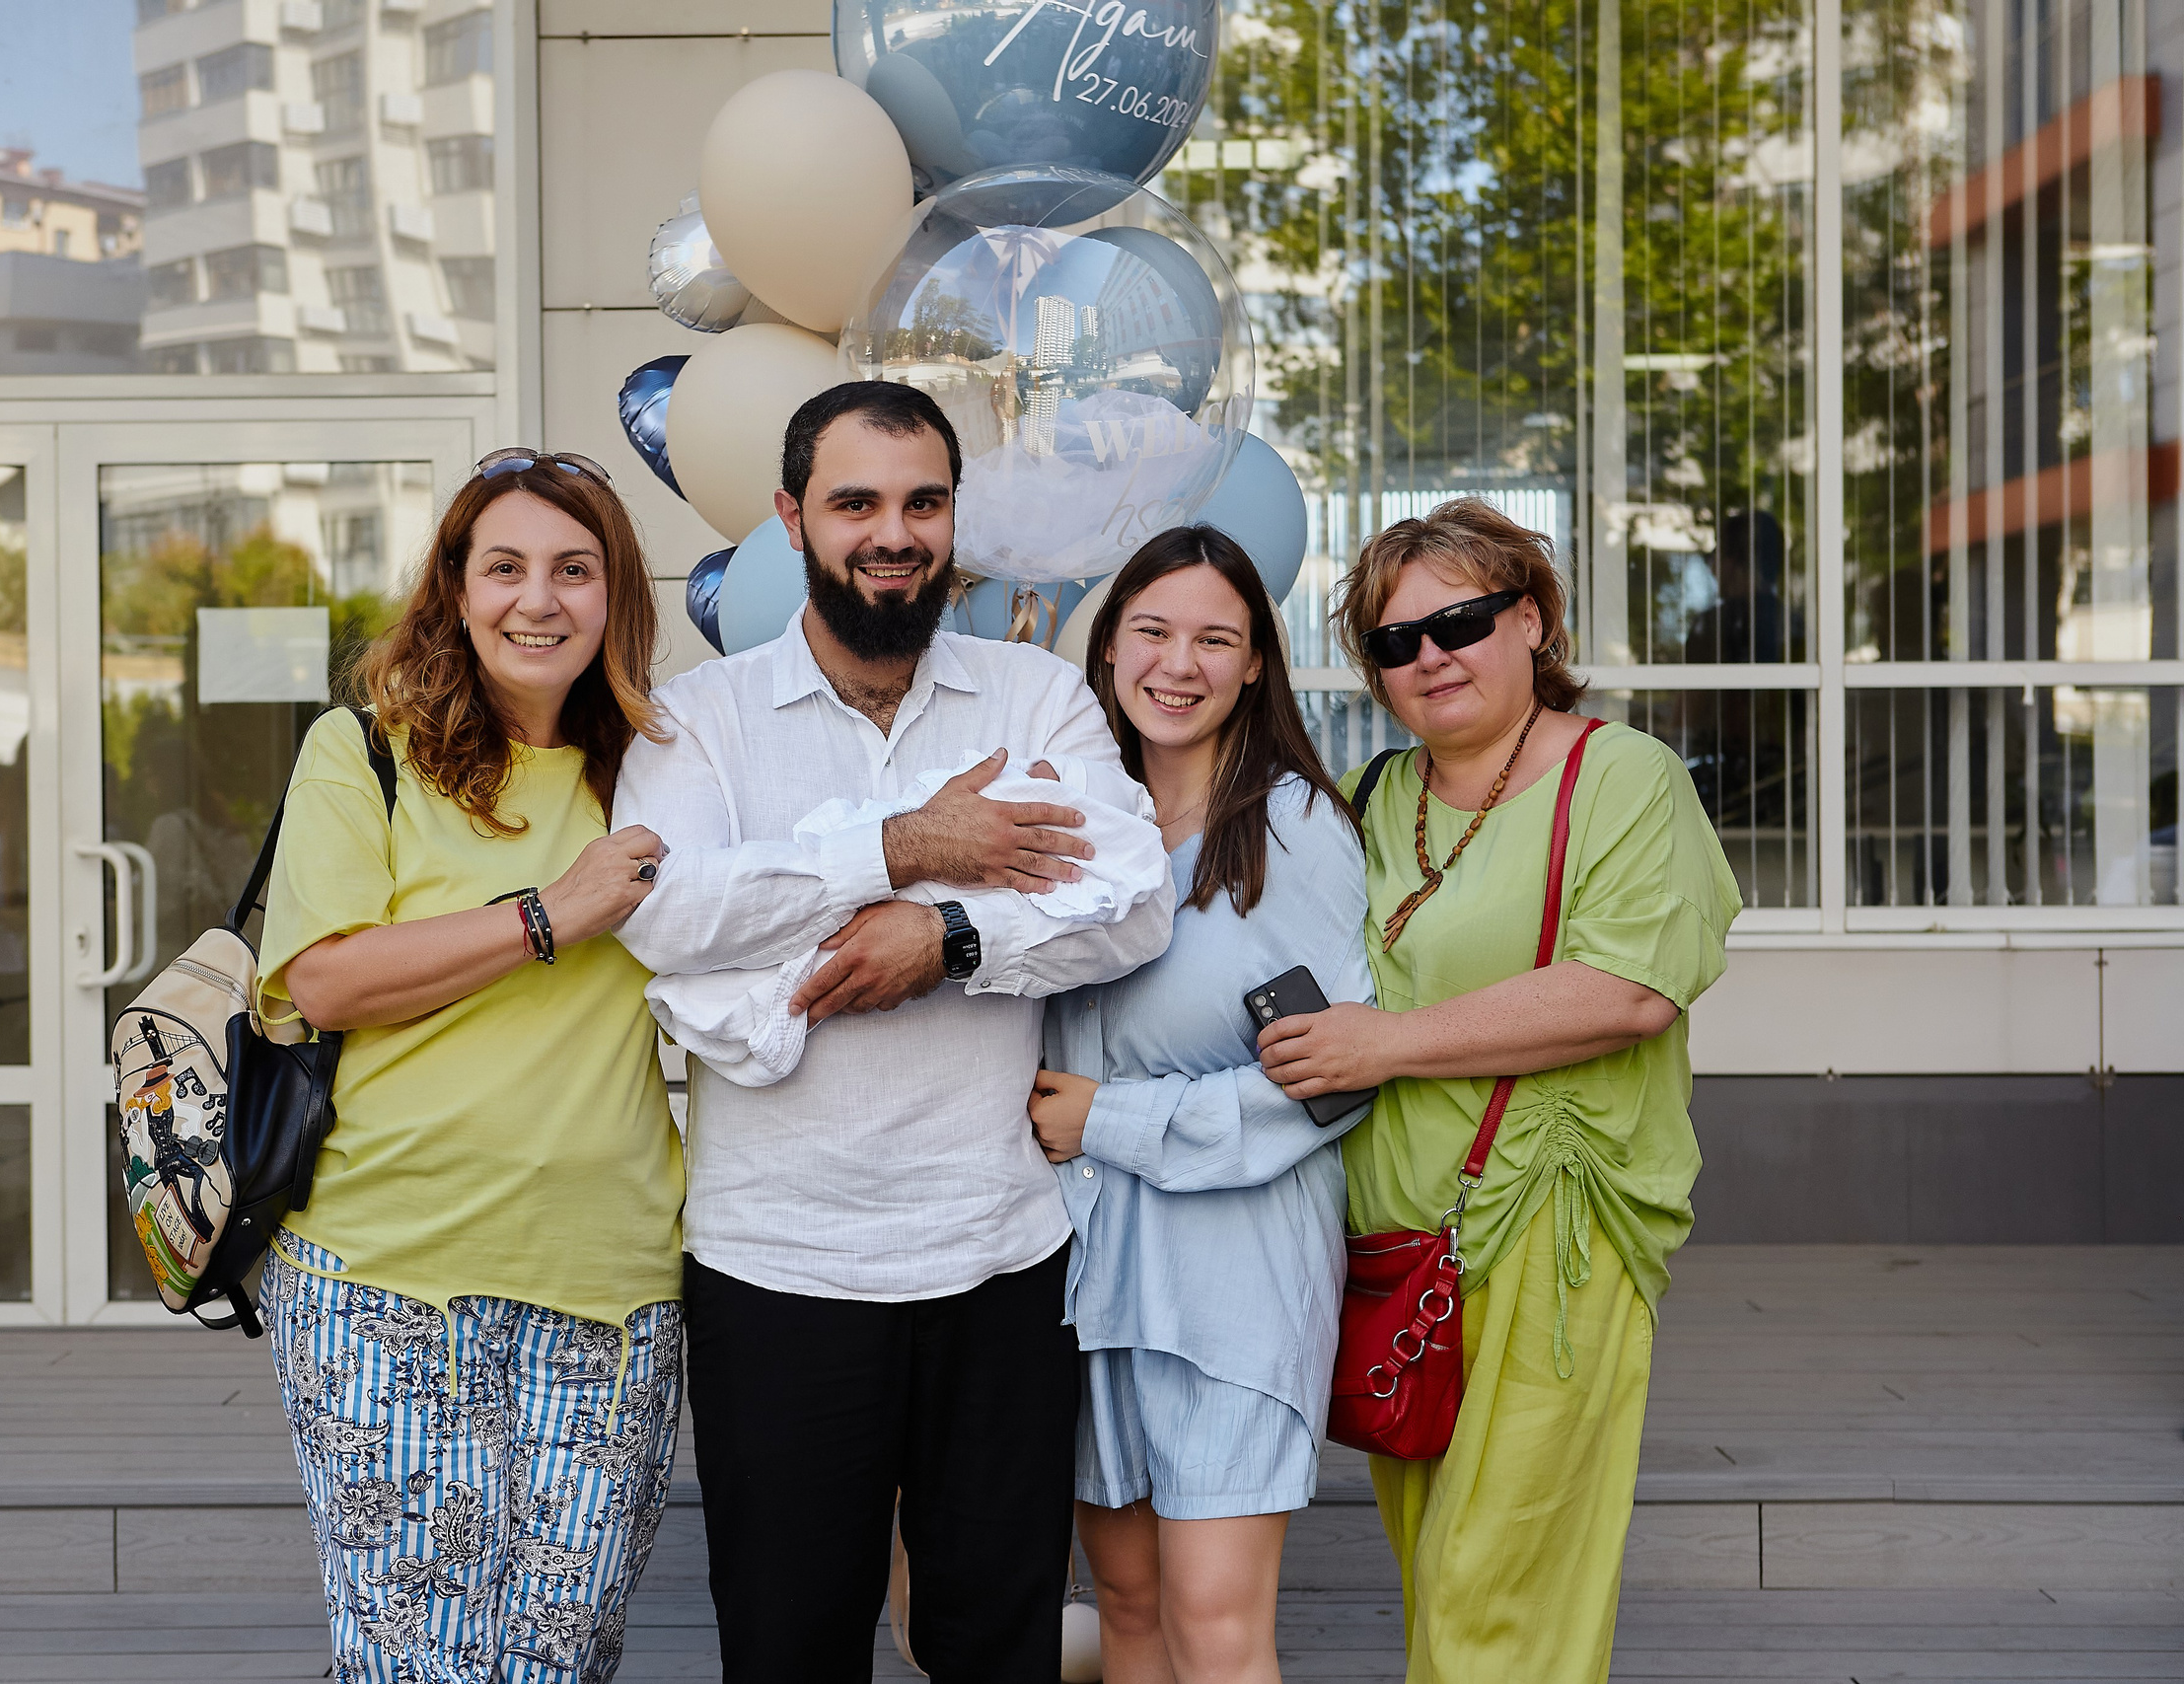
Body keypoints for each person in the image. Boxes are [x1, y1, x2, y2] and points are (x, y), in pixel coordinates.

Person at [614, 381, 1176, 1682]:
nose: (894, 530)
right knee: (790, 1648)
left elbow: (1131, 901)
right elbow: (672, 918)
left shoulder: (1034, 699)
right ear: (790, 517)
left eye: (923, 499)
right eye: (855, 500)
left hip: (998, 1260)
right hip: (777, 1270)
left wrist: (950, 941)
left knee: (997, 1648)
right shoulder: (701, 720)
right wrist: (911, 847)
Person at [1259, 497, 1741, 1683]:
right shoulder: (1369, 798)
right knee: (1438, 1569)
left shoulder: (1622, 777)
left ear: (1530, 621)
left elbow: (1628, 990)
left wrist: (1386, 1044)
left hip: (1552, 1220)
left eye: (1461, 621)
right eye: (1393, 640)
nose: (1430, 656)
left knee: (1500, 1587)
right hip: (1388, 1239)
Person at [254, 448, 685, 1682]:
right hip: (385, 1276)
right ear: (454, 587)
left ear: (615, 599)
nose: (537, 601)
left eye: (573, 570)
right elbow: (325, 977)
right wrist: (549, 913)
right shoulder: (366, 751)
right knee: (418, 1660)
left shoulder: (661, 767)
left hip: (610, 1280)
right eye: (504, 567)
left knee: (558, 1656)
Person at [1027, 526, 1372, 1684]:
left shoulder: (1294, 835)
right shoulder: (1076, 826)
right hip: (1090, 1274)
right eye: (1153, 631)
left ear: (1255, 665)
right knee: (1126, 1606)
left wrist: (1108, 1121)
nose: (1179, 664)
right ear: (1110, 646)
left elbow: (1325, 1083)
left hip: (1231, 1282)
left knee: (1215, 1622)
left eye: (1215, 639)